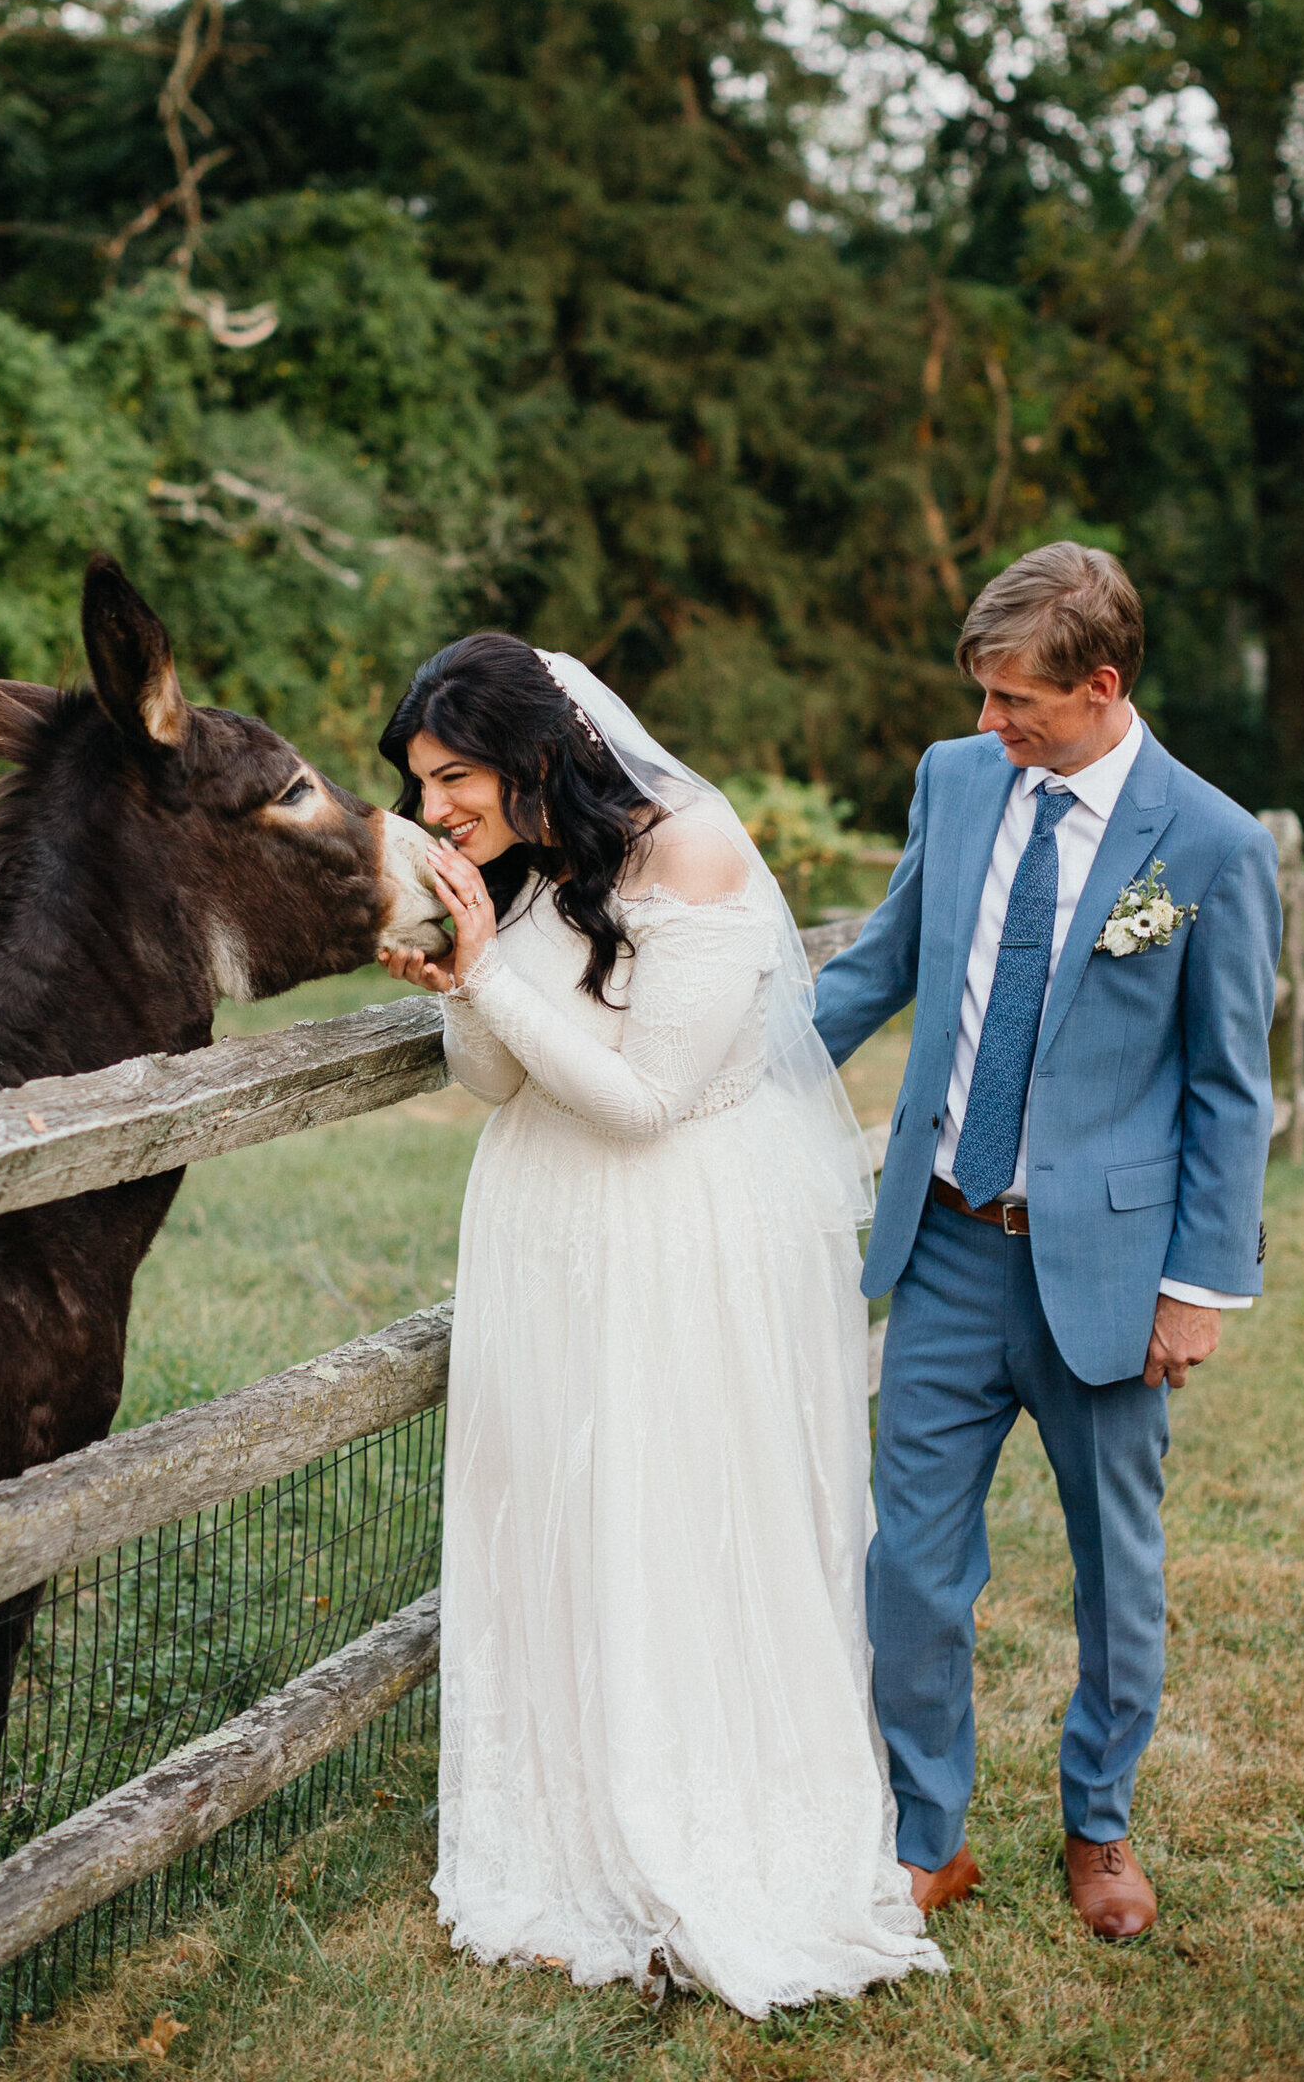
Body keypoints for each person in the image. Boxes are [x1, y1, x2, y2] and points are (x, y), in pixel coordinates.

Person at [376, 634, 944, 2018]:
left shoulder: (690, 852)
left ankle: (697, 1824)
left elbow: (645, 1102)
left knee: (668, 1505)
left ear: (532, 752)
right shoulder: (541, 862)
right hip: (546, 1234)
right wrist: (464, 961)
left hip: (669, 1234)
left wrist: (493, 976)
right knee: (562, 1509)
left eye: (451, 776)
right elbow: (497, 1080)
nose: (434, 805)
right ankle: (566, 1826)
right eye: (420, 782)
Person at [815, 543, 1281, 1940]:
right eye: (980, 697)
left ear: (1102, 685)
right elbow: (878, 966)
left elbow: (1229, 1086)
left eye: (1015, 701)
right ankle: (925, 1833)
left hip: (1110, 1275)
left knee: (1114, 1569)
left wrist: (1196, 1289)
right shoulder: (957, 786)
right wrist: (720, 1069)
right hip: (947, 1247)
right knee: (911, 1564)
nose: (989, 726)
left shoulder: (1211, 843)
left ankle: (1099, 1826)